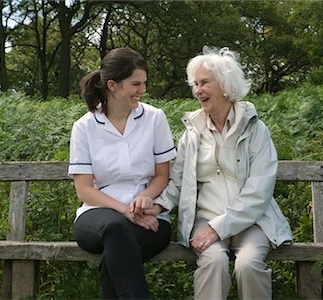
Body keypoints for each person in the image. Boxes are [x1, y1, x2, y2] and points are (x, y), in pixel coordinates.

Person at [153, 47, 292, 300]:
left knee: (248, 265)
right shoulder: (192, 132)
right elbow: (177, 182)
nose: (198, 90)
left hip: (252, 222)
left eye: (204, 82)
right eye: (195, 84)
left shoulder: (256, 130)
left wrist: (219, 228)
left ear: (226, 85)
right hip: (205, 219)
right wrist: (158, 206)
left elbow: (259, 193)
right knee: (214, 263)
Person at [69, 47, 177, 299]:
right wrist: (125, 210)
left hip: (149, 217)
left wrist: (146, 197)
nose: (142, 90)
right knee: (116, 230)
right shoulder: (84, 127)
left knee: (115, 254)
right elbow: (84, 190)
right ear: (112, 85)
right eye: (135, 84)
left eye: (144, 83)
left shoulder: (154, 118)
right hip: (97, 217)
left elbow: (163, 175)